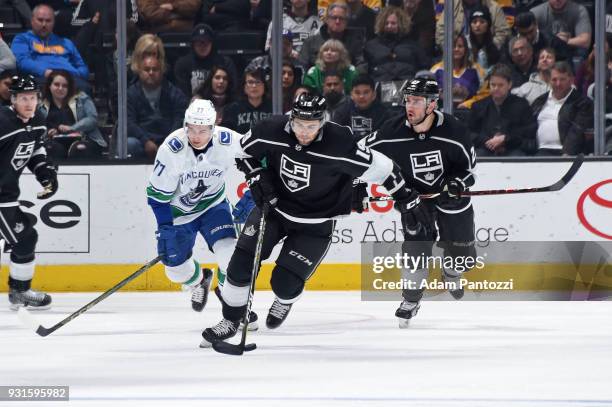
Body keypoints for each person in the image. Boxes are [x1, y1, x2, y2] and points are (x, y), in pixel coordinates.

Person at [200, 93, 421, 345]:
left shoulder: (341, 143)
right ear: (290, 119)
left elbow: (385, 169)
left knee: (283, 284)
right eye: (299, 125)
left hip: (315, 224)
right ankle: (230, 321)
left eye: (311, 127)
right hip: (273, 211)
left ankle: (284, 300)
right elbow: (241, 153)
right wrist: (256, 176)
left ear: (322, 122)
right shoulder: (269, 130)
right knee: (240, 267)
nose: (304, 132)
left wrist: (406, 199)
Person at [363, 78, 477, 328]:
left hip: (451, 198)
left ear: (432, 104)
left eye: (416, 101)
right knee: (416, 249)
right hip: (414, 199)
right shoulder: (390, 133)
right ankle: (411, 300)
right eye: (408, 100)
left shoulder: (455, 131)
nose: (410, 106)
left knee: (464, 257)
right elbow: (359, 155)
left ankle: (453, 270)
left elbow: (470, 171)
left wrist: (457, 183)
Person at [147, 99, 258, 328]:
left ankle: (234, 306)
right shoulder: (171, 149)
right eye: (192, 129)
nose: (196, 135)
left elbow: (260, 156)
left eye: (203, 130)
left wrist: (254, 192)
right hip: (178, 213)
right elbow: (157, 198)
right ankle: (200, 280)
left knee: (230, 256)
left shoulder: (226, 140)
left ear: (213, 127)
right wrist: (165, 227)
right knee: (175, 272)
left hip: (212, 206)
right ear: (185, 124)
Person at [0, 74, 57, 310]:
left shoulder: (39, 119)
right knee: (24, 238)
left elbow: (35, 149)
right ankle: (19, 292)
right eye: (23, 97)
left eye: (32, 97)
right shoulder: (2, 121)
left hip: (7, 197)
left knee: (26, 238)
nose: (28, 102)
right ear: (13, 99)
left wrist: (45, 174)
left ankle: (19, 292)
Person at [11, 4, 91, 94]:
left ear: (53, 23)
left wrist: (72, 74)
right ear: (32, 21)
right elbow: (22, 62)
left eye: (48, 21)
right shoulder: (22, 39)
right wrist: (46, 72)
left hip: (70, 79)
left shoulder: (66, 42)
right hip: (41, 78)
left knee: (85, 88)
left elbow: (82, 67)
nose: (44, 24)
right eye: (40, 20)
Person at [127, 56, 188, 159]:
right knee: (130, 144)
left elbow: (179, 119)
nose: (151, 72)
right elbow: (129, 122)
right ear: (139, 72)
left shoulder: (175, 93)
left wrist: (168, 142)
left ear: (162, 71)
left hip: (169, 141)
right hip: (143, 142)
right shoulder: (131, 93)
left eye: (155, 69)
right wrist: (145, 141)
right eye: (147, 69)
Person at [469, 64, 537, 156]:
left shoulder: (522, 105)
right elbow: (469, 133)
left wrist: (505, 139)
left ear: (509, 85)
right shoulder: (478, 106)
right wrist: (489, 141)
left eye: (500, 85)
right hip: (485, 148)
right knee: (478, 157)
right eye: (493, 85)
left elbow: (529, 131)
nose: (496, 88)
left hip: (513, 148)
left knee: (518, 157)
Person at [38, 70, 107, 160]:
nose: (60, 88)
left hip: (84, 139)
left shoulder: (82, 98)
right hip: (53, 142)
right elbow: (36, 125)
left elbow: (92, 119)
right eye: (56, 84)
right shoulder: (40, 103)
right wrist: (48, 132)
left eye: (64, 86)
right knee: (52, 149)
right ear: (49, 86)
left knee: (80, 149)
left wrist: (73, 128)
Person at [531, 61, 593, 156]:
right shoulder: (540, 101)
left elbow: (577, 130)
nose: (558, 83)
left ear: (571, 80)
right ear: (549, 80)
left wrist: (567, 153)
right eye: (554, 80)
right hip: (540, 151)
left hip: (566, 153)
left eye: (562, 79)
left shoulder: (582, 103)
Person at [364, 6, 430, 84]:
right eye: (386, 23)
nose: (389, 26)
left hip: (408, 87)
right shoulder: (371, 46)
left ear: (400, 24)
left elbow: (424, 68)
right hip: (380, 87)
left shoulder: (413, 46)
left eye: (393, 23)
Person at [173, 24, 237, 99]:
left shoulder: (225, 62)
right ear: (193, 44)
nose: (203, 46)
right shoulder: (182, 64)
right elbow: (182, 94)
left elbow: (233, 90)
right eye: (199, 42)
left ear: (212, 43)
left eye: (206, 42)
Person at [332, 74, 392, 138]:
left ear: (374, 95)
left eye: (366, 92)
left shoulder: (384, 114)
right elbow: (336, 137)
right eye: (357, 92)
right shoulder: (341, 113)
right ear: (351, 95)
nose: (361, 96)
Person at [220, 66, 272, 134]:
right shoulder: (232, 109)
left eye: (258, 82)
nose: (254, 86)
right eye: (250, 82)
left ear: (264, 86)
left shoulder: (273, 108)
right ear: (244, 87)